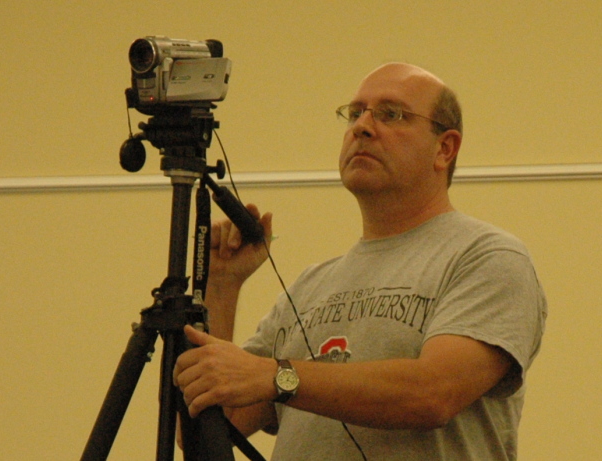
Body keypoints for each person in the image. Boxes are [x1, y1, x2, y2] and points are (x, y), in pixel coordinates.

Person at [173, 62, 547, 460]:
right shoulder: (310, 285)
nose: (362, 127)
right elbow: (205, 430)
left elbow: (433, 394)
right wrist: (222, 286)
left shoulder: (486, 257)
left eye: (391, 114)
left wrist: (276, 375)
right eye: (355, 113)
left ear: (445, 148)